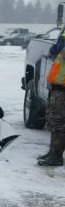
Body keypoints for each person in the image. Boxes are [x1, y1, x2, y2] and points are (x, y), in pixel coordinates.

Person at [38, 29, 65, 166]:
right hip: (57, 85)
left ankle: (56, 156)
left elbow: (56, 48)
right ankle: (53, 152)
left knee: (58, 122)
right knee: (54, 120)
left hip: (62, 88)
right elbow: (54, 49)